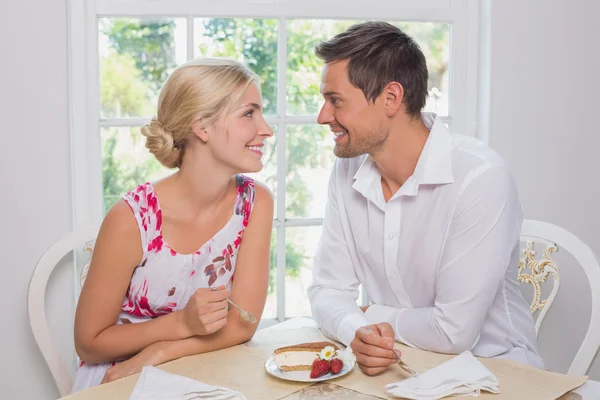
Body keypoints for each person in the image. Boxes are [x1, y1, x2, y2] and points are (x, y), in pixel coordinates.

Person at [307, 22, 543, 376]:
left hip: (496, 374)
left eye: (335, 100)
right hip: (400, 368)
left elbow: (453, 332)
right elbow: (327, 289)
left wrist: (370, 315)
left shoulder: (480, 178)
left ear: (391, 98)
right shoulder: (346, 172)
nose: (323, 116)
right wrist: (357, 329)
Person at [72, 58, 274, 391]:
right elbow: (89, 343)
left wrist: (161, 351)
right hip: (120, 380)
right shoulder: (131, 219)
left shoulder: (255, 203)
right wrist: (182, 322)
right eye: (249, 113)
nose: (265, 128)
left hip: (196, 367)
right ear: (202, 126)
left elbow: (242, 325)